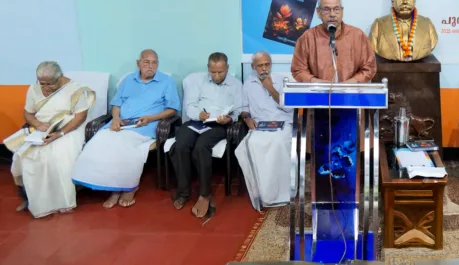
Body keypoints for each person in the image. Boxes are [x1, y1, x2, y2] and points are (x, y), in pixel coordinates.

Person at [72, 49, 180, 208]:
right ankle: (110, 187)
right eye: (146, 62)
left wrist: (150, 118)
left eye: (154, 62)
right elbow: (116, 104)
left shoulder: (167, 82)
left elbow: (172, 109)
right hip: (120, 124)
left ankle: (129, 187)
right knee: (98, 140)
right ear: (138, 63)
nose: (150, 66)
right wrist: (115, 118)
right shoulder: (128, 80)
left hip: (146, 125)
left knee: (122, 145)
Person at [6, 62, 95, 217]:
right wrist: (38, 124)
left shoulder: (75, 90)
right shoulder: (34, 88)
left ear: (59, 78)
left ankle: (63, 202)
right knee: (23, 156)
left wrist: (60, 133)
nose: (45, 87)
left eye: (49, 84)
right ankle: (31, 199)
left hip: (69, 128)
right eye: (42, 83)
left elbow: (81, 116)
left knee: (58, 155)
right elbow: (28, 113)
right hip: (41, 128)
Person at [170, 52, 241, 217]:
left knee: (201, 146)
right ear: (208, 68)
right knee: (180, 145)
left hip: (219, 124)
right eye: (213, 72)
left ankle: (204, 194)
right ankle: (183, 191)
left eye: (221, 72)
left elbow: (238, 110)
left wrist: (229, 118)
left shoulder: (236, 85)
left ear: (227, 68)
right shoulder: (198, 82)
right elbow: (190, 105)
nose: (217, 76)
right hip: (198, 121)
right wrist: (198, 114)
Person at [236, 51, 294, 211]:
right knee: (251, 145)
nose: (264, 69)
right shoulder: (248, 84)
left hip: (283, 124)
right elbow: (244, 108)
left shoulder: (282, 81)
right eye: (260, 65)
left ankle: (282, 193)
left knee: (277, 143)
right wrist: (247, 119)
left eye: (267, 64)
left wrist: (270, 88)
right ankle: (262, 194)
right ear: (253, 67)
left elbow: (288, 107)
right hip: (260, 125)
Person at [291, 0, 377, 84]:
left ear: (342, 11)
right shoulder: (308, 37)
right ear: (318, 12)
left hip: (350, 95)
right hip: (318, 95)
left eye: (336, 9)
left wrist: (351, 83)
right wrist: (316, 82)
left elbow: (369, 68)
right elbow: (298, 70)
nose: (332, 14)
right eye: (327, 9)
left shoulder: (357, 36)